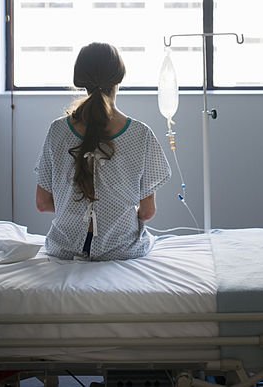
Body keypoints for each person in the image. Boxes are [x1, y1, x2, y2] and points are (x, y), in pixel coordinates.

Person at [35, 42, 171, 261]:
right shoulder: (140, 134)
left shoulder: (57, 131)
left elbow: (43, 203)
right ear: (119, 78)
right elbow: (147, 212)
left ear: (80, 79)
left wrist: (72, 211)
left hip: (64, 250)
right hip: (122, 250)